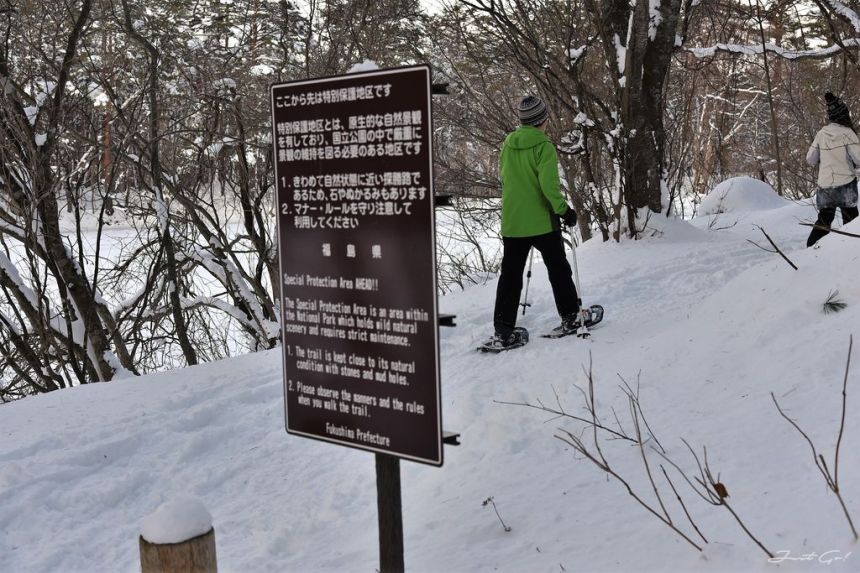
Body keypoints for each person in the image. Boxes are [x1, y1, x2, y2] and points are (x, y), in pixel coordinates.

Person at [484, 95, 580, 351]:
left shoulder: (508, 144)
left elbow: (505, 179)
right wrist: (565, 211)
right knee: (558, 269)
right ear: (542, 120)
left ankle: (503, 332)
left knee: (510, 277)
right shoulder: (544, 146)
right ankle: (571, 317)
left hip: (513, 221)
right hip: (542, 222)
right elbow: (549, 187)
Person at [806, 92, 860, 247]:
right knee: (851, 220)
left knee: (824, 220)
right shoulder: (848, 133)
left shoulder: (821, 134)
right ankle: (850, 248)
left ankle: (811, 247)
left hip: (825, 187)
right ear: (843, 115)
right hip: (845, 186)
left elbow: (810, 159)